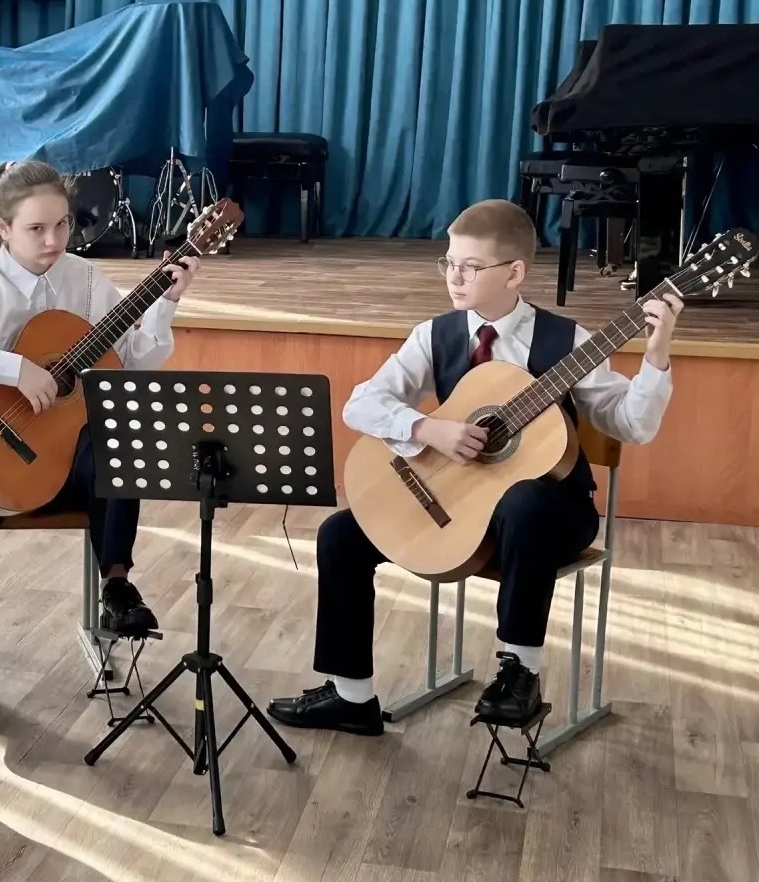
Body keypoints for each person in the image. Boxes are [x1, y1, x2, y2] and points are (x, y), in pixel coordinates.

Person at [266, 199, 680, 735]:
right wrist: (427, 429)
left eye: (471, 266)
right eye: (449, 262)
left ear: (515, 273)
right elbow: (361, 404)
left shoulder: (567, 342)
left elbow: (633, 425)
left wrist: (656, 355)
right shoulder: (433, 335)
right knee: (340, 534)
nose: (454, 277)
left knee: (524, 501)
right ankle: (352, 697)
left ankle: (520, 674)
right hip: (460, 508)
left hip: (549, 517)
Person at [0, 159, 200, 731]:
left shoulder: (85, 281)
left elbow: (132, 362)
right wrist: (15, 368)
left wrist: (166, 302)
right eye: (36, 228)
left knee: (119, 438)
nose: (54, 240)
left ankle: (116, 585)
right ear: (2, 228)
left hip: (67, 467)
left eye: (62, 224)